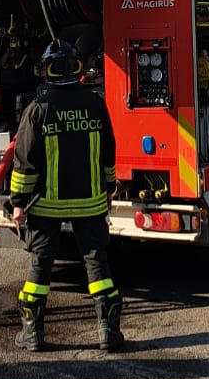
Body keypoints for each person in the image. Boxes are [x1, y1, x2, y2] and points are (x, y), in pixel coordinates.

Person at [8, 39, 123, 353]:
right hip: (90, 203)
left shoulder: (37, 110)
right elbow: (109, 152)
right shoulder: (95, 104)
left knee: (40, 265)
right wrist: (109, 189)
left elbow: (25, 164)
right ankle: (108, 332)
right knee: (97, 263)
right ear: (79, 69)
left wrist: (18, 203)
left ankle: (32, 334)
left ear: (45, 72)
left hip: (46, 206)